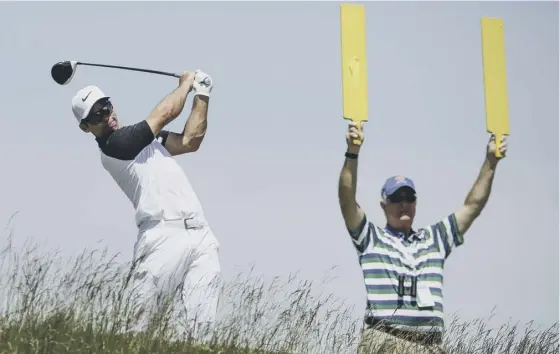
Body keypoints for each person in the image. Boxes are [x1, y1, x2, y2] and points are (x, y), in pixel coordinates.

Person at [70, 70, 221, 342]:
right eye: (96, 116)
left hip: (201, 235)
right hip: (162, 237)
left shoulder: (146, 140)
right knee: (136, 327)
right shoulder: (115, 145)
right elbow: (166, 113)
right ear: (86, 127)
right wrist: (187, 83)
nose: (106, 115)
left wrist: (202, 95)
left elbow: (190, 141)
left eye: (106, 106)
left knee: (202, 331)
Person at [338, 121, 508, 354]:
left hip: (430, 346)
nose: (404, 204)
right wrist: (352, 152)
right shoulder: (370, 238)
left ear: (416, 203)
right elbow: (347, 198)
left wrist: (491, 162)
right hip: (385, 340)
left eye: (409, 197)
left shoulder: (435, 239)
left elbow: (473, 206)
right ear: (384, 204)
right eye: (397, 198)